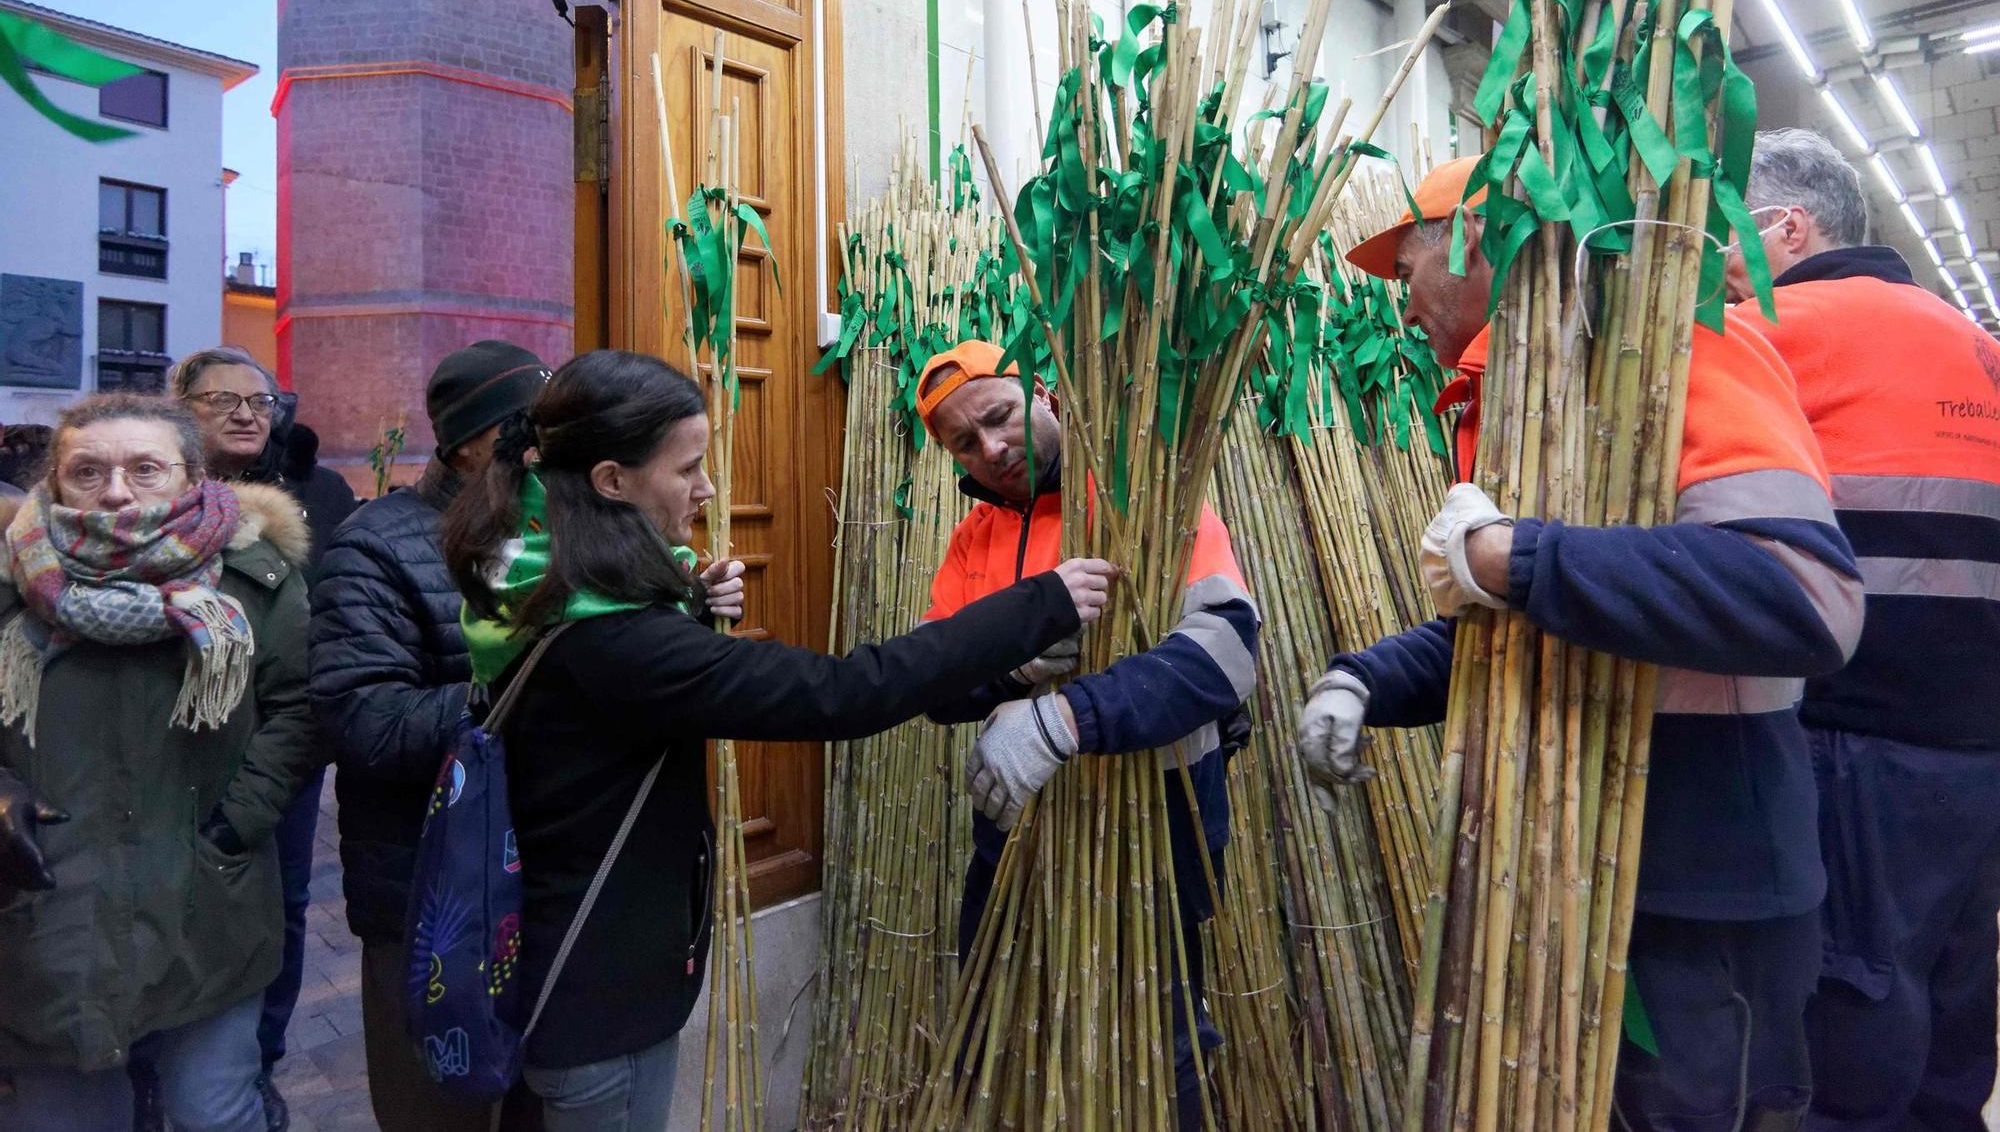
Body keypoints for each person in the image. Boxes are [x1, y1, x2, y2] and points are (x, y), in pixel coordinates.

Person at [1296, 157, 1865, 1132]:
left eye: (1406, 273)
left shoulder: (1679, 355)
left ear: (1478, 240)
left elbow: (1801, 597)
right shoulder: (1516, 400)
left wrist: (1510, 553)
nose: (1398, 307)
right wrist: (1363, 677)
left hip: (1699, 892)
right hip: (1570, 869)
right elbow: (1531, 621)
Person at [440, 348, 1112, 1131]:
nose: (708, 487)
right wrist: (1037, 604)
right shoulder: (615, 643)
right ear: (611, 481)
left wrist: (687, 603)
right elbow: (843, 692)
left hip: (565, 970)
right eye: (688, 467)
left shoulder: (539, 582)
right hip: (598, 999)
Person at [1724, 128, 2000, 1131]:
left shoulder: (1769, 329)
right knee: (1951, 1024)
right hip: (1975, 750)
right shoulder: (1969, 341)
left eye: (1726, 234)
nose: (1715, 264)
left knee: (1851, 1028)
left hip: (1853, 739)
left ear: (1786, 228)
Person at [913, 339, 1261, 1131]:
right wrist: (1009, 664)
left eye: (998, 417)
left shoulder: (1147, 496)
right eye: (965, 442)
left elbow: (1227, 651)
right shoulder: (972, 539)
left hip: (1156, 823)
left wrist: (1065, 717)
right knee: (1006, 1027)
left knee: (1163, 1038)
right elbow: (932, 679)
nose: (991, 449)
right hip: (1020, 835)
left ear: (1045, 393)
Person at [0, 393, 318, 1131]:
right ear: (54, 477)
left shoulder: (252, 576)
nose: (116, 491)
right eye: (88, 470)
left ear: (190, 474)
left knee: (212, 1109)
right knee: (64, 1117)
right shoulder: (12, 582)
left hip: (206, 893)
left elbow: (298, 706)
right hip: (52, 899)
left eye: (146, 468)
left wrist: (236, 827)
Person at [308, 340, 556, 1132]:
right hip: (433, 901)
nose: (551, 446)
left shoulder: (556, 530)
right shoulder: (376, 544)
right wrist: (519, 685)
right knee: (441, 1111)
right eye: (533, 426)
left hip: (543, 883)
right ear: (475, 440)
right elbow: (362, 719)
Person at [168, 346, 356, 1130]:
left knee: (281, 902)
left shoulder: (319, 489)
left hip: (283, 732)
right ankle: (164, 1061)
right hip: (173, 742)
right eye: (224, 399)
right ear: (181, 406)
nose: (249, 412)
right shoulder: (149, 491)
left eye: (263, 399)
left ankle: (260, 1058)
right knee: (170, 898)